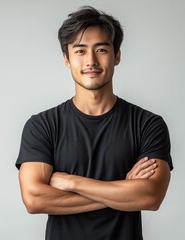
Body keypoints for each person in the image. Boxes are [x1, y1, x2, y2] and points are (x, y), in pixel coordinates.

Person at [16, 6, 173, 240]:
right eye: (80, 51)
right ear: (67, 59)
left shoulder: (148, 124)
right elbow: (35, 200)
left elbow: (150, 197)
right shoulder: (42, 125)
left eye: (101, 49)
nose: (91, 60)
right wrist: (123, 189)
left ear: (117, 55)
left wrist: (70, 181)